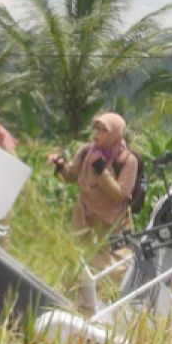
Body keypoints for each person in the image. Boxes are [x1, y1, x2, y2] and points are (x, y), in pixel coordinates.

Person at [47, 112, 139, 269]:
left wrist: (101, 170)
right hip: (83, 217)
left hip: (110, 224)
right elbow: (71, 176)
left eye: (103, 130)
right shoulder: (86, 152)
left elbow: (119, 195)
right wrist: (61, 166)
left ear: (114, 134)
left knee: (111, 268)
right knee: (76, 260)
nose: (96, 134)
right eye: (96, 129)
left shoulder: (127, 161)